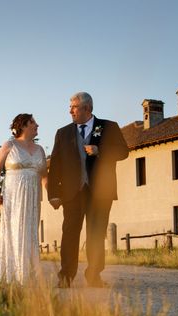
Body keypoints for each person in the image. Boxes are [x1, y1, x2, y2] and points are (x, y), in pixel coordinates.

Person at [47, 92, 129, 288]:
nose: (70, 111)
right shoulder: (63, 132)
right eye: (70, 107)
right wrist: (53, 194)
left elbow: (123, 152)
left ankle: (94, 275)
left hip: (100, 192)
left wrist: (100, 151)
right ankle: (65, 277)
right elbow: (56, 164)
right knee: (69, 234)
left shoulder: (108, 127)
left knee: (96, 234)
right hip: (71, 193)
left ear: (87, 108)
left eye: (74, 107)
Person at [0, 114, 48, 284]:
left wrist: (51, 195)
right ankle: (12, 275)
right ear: (23, 126)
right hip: (13, 194)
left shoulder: (40, 149)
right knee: (14, 230)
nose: (37, 125)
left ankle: (28, 275)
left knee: (30, 232)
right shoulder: (10, 145)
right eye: (33, 122)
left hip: (32, 197)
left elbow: (44, 176)